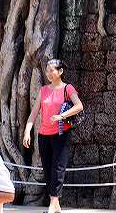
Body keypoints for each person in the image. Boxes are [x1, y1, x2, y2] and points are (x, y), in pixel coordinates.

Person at [22, 59, 83, 213]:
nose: (48, 73)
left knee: (58, 168)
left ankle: (53, 203)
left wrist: (61, 116)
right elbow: (33, 114)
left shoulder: (67, 89)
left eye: (52, 70)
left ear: (60, 72)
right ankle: (55, 205)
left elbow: (79, 106)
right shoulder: (43, 90)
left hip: (61, 134)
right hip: (43, 135)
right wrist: (27, 131)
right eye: (47, 70)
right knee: (48, 169)